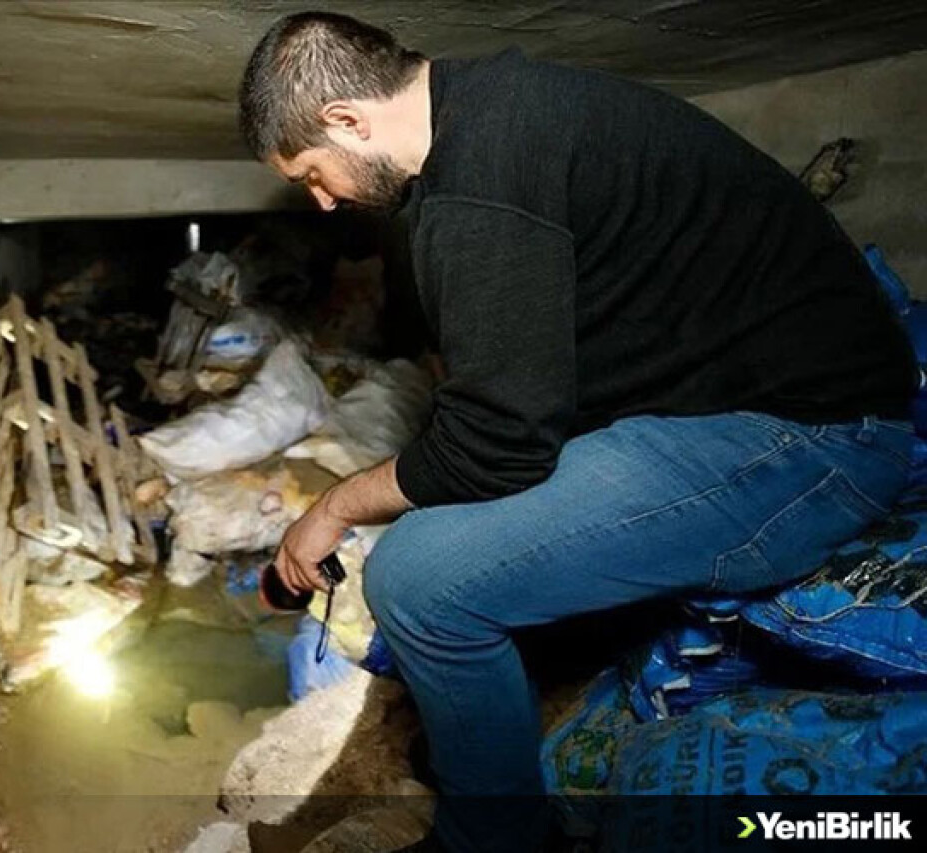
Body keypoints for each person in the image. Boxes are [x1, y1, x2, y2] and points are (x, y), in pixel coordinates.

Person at [239, 11, 918, 852]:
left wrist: (337, 504)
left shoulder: (481, 185)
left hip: (818, 436)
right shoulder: (499, 103)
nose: (322, 198)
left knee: (419, 580)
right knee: (487, 558)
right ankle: (488, 745)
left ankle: (492, 838)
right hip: (737, 393)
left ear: (347, 119)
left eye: (312, 172)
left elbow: (497, 442)